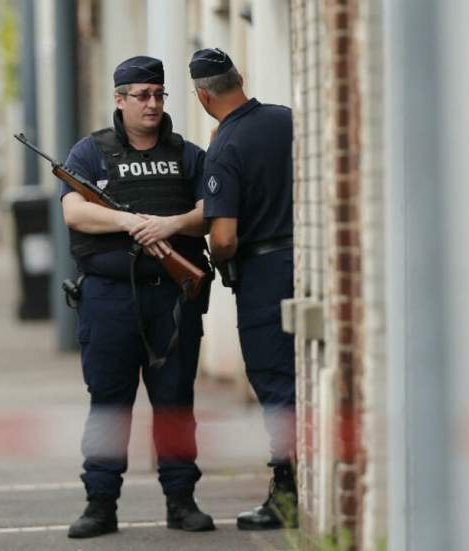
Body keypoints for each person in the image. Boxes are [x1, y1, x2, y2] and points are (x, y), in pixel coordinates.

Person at [59, 55, 214, 539]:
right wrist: (130, 222)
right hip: (109, 299)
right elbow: (74, 213)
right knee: (109, 403)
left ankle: (181, 500)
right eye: (141, 95)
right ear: (119, 99)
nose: (152, 103)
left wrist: (171, 225)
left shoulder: (187, 154)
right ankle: (100, 503)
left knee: (174, 403)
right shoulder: (90, 153)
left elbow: (213, 209)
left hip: (171, 297)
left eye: (158, 94)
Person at [189, 48, 298, 530]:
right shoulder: (287, 119)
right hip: (308, 262)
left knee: (275, 381)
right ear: (241, 78)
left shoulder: (225, 145)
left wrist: (217, 252)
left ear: (202, 95)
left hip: (263, 276)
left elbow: (226, 236)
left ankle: (287, 495)